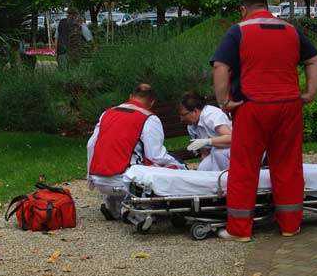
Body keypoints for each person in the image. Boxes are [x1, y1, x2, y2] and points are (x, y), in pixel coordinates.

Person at [211, 0, 317, 242]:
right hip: (289, 106)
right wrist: (309, 93)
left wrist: (224, 101)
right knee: (288, 165)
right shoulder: (291, 30)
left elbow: (220, 66)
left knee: (244, 167)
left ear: (243, 9)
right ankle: (290, 226)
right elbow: (314, 60)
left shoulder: (238, 31)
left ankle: (239, 230)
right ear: (267, 6)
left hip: (252, 106)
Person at [87, 83, 185, 218]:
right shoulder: (149, 118)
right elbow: (155, 156)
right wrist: (179, 165)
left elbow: (91, 145)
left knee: (127, 159)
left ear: (131, 96)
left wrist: (90, 176)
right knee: (168, 166)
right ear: (152, 102)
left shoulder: (107, 113)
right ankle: (139, 209)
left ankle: (112, 205)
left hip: (98, 180)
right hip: (124, 181)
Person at [178, 92, 232, 171]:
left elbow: (231, 138)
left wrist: (207, 141)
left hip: (235, 148)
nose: (181, 119)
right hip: (216, 152)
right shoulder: (191, 126)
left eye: (183, 115)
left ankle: (230, 177)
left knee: (218, 153)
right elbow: (204, 152)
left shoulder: (210, 115)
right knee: (203, 169)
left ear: (195, 111)